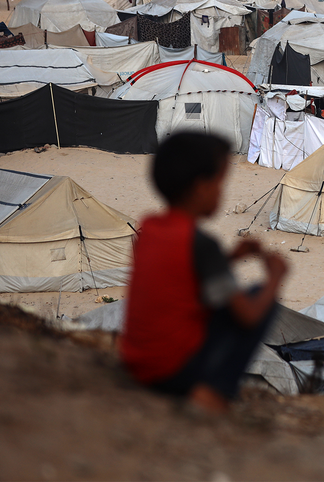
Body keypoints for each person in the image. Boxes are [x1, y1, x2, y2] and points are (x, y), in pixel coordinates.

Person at [121, 132, 287, 414]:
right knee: (260, 299)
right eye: (220, 183)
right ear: (200, 188)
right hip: (173, 372)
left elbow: (182, 273)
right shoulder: (202, 244)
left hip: (137, 363)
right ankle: (214, 391)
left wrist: (232, 257)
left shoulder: (151, 228)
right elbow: (248, 315)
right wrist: (275, 278)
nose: (222, 192)